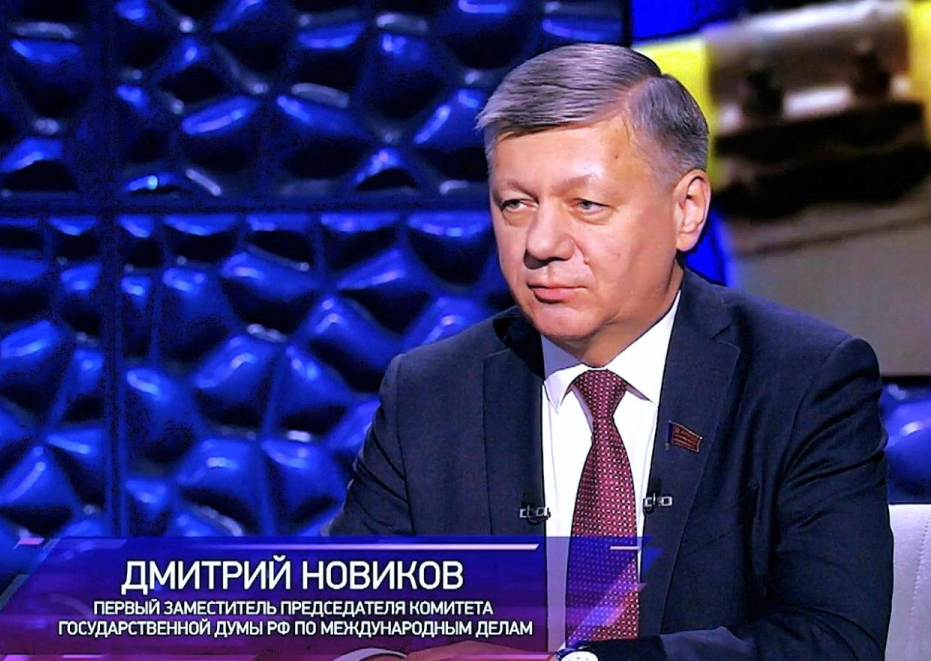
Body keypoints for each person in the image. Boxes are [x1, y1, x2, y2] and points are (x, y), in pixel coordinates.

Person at [327, 43, 892, 661]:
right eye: (515, 204)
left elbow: (832, 640)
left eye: (586, 205)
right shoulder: (430, 393)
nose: (541, 242)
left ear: (687, 210)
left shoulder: (802, 381)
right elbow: (340, 630)